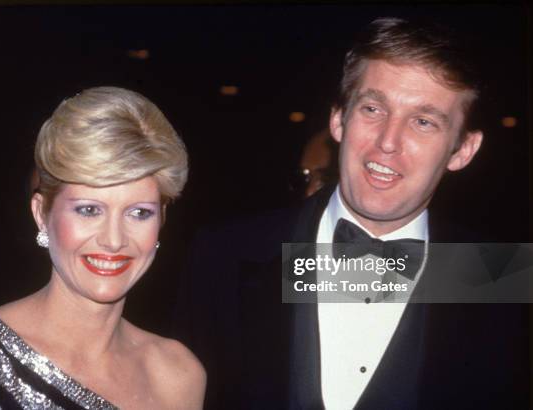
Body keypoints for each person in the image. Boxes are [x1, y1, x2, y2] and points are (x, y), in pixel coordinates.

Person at [172, 18, 529, 409]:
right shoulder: (225, 257)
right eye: (373, 108)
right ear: (339, 119)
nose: (387, 142)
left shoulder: (498, 281)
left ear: (463, 151)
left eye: (423, 122)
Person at [0, 87, 206, 409]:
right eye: (88, 210)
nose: (114, 240)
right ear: (42, 214)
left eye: (139, 213)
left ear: (161, 220)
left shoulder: (176, 376)